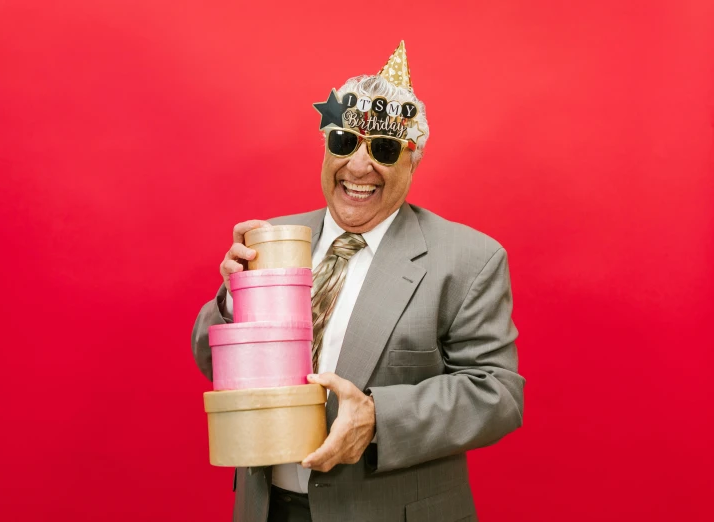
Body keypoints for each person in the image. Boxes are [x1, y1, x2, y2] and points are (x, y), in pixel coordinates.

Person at [192, 41, 525, 522]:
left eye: (385, 149)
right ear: (326, 146)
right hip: (268, 509)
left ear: (413, 162)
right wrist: (231, 304)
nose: (358, 167)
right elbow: (211, 362)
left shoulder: (469, 259)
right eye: (344, 142)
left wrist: (377, 418)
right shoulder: (272, 241)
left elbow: (497, 393)